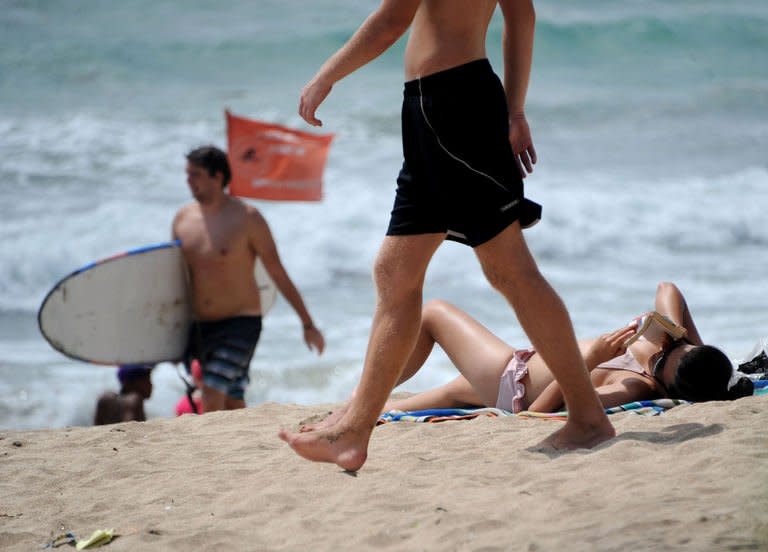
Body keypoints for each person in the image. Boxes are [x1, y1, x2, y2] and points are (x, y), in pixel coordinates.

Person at [279, 0, 615, 471]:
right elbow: (522, 15)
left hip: (447, 111)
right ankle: (354, 429)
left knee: (509, 271)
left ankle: (587, 414)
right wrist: (513, 108)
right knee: (398, 271)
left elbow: (393, 19)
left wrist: (326, 75)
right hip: (452, 106)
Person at [376, 282, 754, 415]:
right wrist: (677, 331)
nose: (657, 354)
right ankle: (364, 405)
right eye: (670, 351)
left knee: (434, 313)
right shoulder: (672, 344)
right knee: (389, 411)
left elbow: (539, 413)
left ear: (667, 386)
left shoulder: (635, 386)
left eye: (660, 366)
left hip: (511, 382)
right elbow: (667, 288)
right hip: (515, 366)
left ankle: (369, 391)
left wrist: (587, 361)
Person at [173, 145, 325, 413]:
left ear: (217, 176)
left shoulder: (247, 219)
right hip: (200, 327)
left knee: (210, 390)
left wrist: (307, 323)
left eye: (195, 174)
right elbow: (174, 278)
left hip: (241, 324)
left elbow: (277, 271)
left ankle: (209, 452)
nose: (188, 181)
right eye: (187, 175)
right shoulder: (182, 219)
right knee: (232, 400)